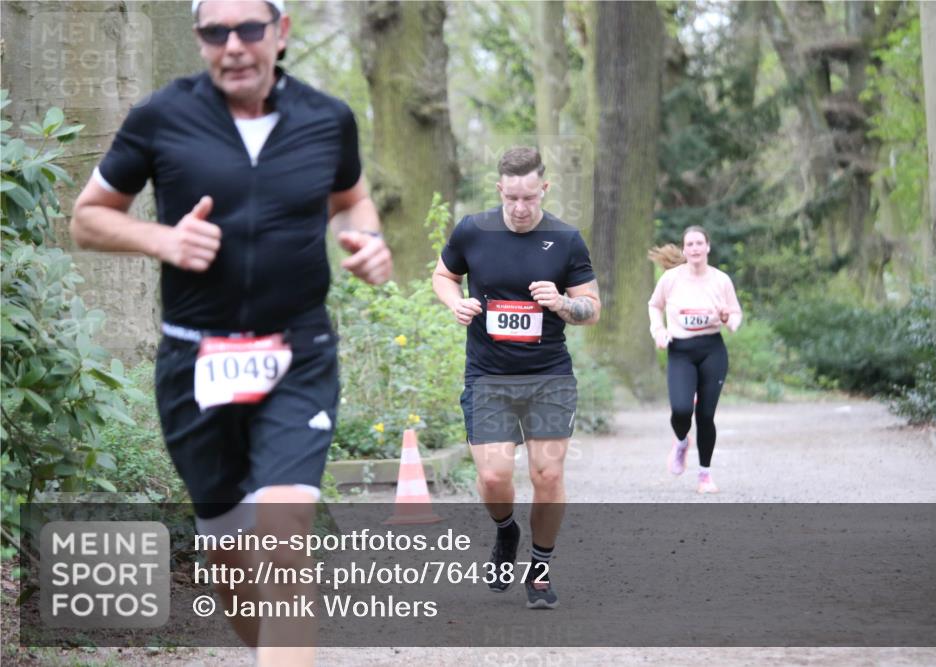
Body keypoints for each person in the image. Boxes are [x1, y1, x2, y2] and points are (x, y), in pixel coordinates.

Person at [70, 1, 391, 663]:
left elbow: (351, 196)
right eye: (216, 32)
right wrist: (162, 237)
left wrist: (366, 238)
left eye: (249, 28)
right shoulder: (162, 117)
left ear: (281, 32)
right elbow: (88, 218)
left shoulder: (328, 119)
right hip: (195, 359)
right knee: (226, 550)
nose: (234, 45)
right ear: (199, 39)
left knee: (283, 525)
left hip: (296, 352)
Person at [432, 147, 600, 609]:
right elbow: (443, 276)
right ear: (499, 190)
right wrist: (455, 303)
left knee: (547, 474)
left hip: (548, 376)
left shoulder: (566, 239)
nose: (521, 208)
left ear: (544, 189)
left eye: (529, 197)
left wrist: (563, 303)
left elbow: (591, 309)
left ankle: (540, 570)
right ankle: (507, 532)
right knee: (492, 478)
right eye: (512, 198)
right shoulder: (473, 230)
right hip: (488, 376)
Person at [647, 226, 742, 494]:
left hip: (712, 350)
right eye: (690, 244)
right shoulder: (671, 278)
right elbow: (654, 305)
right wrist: (659, 330)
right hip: (680, 351)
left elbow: (735, 316)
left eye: (700, 243)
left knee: (706, 415)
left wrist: (727, 318)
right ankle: (680, 442)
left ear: (708, 247)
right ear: (684, 249)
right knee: (680, 410)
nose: (695, 248)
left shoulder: (721, 280)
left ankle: (705, 475)